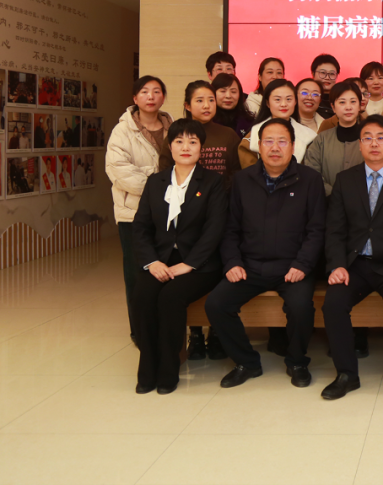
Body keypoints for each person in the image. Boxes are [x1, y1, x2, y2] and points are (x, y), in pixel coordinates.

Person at [206, 118, 327, 389]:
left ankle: (297, 361)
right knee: (216, 304)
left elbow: (317, 229)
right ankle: (246, 362)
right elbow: (230, 228)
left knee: (300, 307)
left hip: (293, 267)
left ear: (293, 146)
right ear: (259, 146)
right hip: (250, 266)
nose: (275, 147)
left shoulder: (310, 179)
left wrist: (303, 264)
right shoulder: (242, 180)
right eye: (268, 141)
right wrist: (232, 262)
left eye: (282, 141)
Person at [321, 116, 383, 402]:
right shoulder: (345, 179)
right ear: (360, 144)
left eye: (381, 137)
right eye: (367, 137)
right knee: (333, 304)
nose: (374, 143)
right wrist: (337, 265)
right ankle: (346, 374)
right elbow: (335, 229)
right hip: (355, 264)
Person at [131, 119, 227, 394]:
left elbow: (214, 230)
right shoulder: (155, 182)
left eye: (193, 142)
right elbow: (141, 227)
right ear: (170, 147)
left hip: (200, 265)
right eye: (179, 141)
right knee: (143, 296)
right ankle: (147, 368)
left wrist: (189, 264)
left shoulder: (213, 182)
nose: (186, 147)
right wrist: (152, 262)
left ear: (201, 148)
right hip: (160, 260)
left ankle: (168, 369)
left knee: (170, 298)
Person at [163, 81, 242, 360]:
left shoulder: (228, 134)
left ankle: (216, 333)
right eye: (199, 100)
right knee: (188, 274)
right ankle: (194, 334)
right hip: (187, 217)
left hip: (222, 212)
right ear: (187, 105)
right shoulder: (177, 133)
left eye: (210, 99)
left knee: (218, 270)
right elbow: (167, 174)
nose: (206, 105)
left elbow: (235, 172)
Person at [105, 76, 173, 344]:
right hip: (133, 214)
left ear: (163, 97)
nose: (151, 96)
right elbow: (119, 171)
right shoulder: (122, 130)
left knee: (166, 271)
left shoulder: (173, 128)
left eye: (156, 91)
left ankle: (165, 328)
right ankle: (140, 332)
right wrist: (160, 184)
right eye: (144, 92)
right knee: (137, 274)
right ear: (135, 98)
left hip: (169, 214)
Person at [303, 80, 366, 197]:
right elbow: (311, 172)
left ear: (359, 105)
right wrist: (334, 194)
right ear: (333, 107)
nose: (348, 107)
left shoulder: (370, 139)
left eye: (353, 102)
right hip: (327, 202)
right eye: (342, 102)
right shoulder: (321, 139)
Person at [237, 79, 318, 169]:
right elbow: (249, 171)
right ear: (268, 103)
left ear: (295, 101)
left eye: (288, 99)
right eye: (277, 99)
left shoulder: (309, 136)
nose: (283, 104)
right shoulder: (252, 136)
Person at [211, 74, 255, 140]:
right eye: (223, 91)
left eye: (233, 92)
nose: (228, 96)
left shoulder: (250, 123)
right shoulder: (207, 121)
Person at [311, 53, 341, 120]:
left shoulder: (341, 99)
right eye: (323, 73)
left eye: (332, 74)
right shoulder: (307, 97)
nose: (327, 77)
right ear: (313, 74)